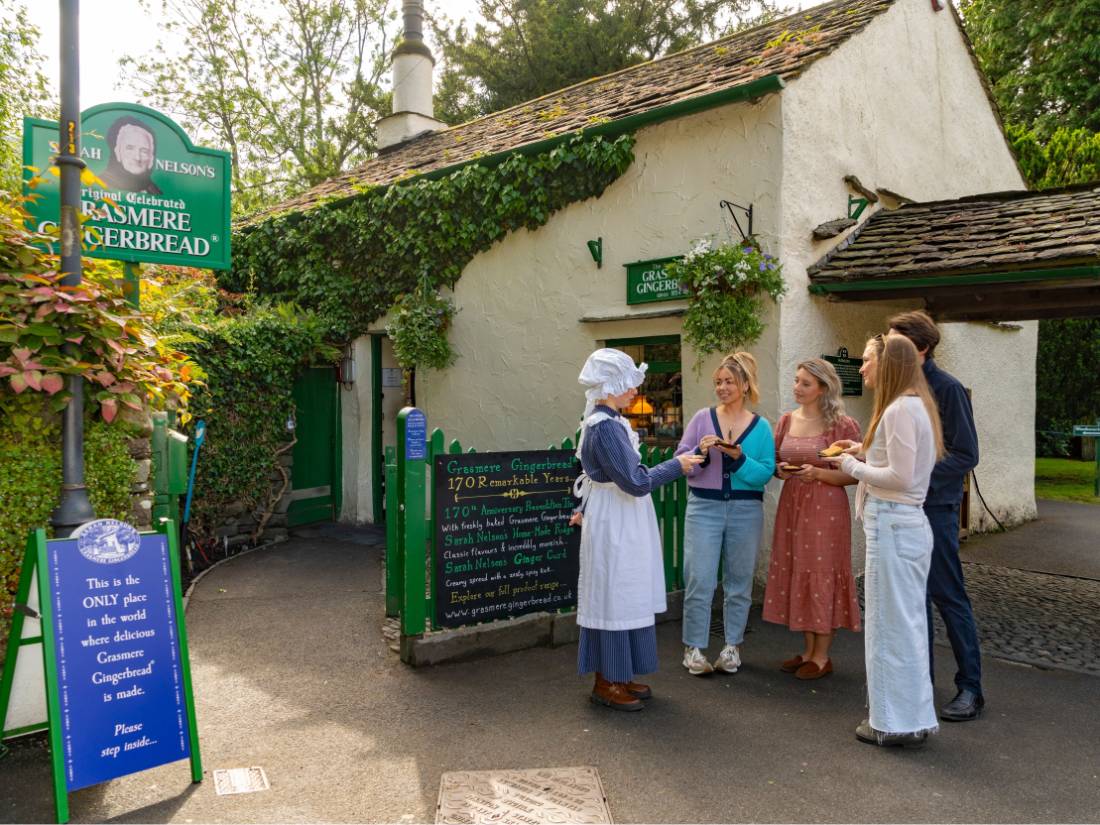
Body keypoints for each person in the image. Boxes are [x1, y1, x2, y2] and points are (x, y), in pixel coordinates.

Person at [825, 335, 944, 747]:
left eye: (868, 359)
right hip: (903, 526)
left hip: (893, 526)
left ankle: (890, 723)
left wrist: (851, 465)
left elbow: (900, 477)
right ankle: (908, 718)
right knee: (904, 626)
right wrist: (861, 448)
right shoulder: (913, 406)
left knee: (887, 629)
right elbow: (897, 460)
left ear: (888, 363)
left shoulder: (899, 409)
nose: (861, 368)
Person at [570, 348, 703, 711]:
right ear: (612, 384)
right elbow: (634, 481)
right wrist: (678, 465)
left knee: (625, 592)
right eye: (629, 383)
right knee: (614, 593)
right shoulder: (606, 427)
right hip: (616, 520)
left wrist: (582, 507)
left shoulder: (609, 421)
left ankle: (619, 672)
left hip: (619, 516)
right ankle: (606, 681)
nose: (634, 390)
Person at [888, 310, 983, 721]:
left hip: (936, 510)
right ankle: (920, 684)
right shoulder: (901, 389)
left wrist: (916, 475)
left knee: (948, 597)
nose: (889, 347)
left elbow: (966, 454)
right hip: (904, 507)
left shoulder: (947, 389)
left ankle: (971, 689)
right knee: (915, 601)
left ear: (922, 348)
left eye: (897, 341)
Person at [675, 352, 775, 675]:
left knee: (739, 580)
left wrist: (739, 457)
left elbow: (765, 472)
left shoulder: (761, 428)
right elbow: (682, 459)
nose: (722, 387)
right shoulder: (702, 419)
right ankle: (694, 649)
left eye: (729, 381)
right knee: (699, 578)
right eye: (718, 382)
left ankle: (731, 647)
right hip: (704, 506)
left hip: (746, 509)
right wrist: (700, 454)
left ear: (745, 385)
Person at [762, 358, 861, 680]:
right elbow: (776, 461)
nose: (797, 388)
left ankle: (821, 657)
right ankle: (807, 651)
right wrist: (780, 470)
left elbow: (855, 475)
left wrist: (817, 473)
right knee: (799, 569)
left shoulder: (842, 425)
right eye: (796, 381)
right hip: (793, 507)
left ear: (823, 388)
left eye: (805, 383)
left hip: (826, 509)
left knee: (820, 573)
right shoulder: (787, 421)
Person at [99, 116, 163, 194]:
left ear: (151, 158)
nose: (137, 157)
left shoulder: (158, 195)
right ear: (117, 151)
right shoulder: (96, 185)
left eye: (144, 151)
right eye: (130, 148)